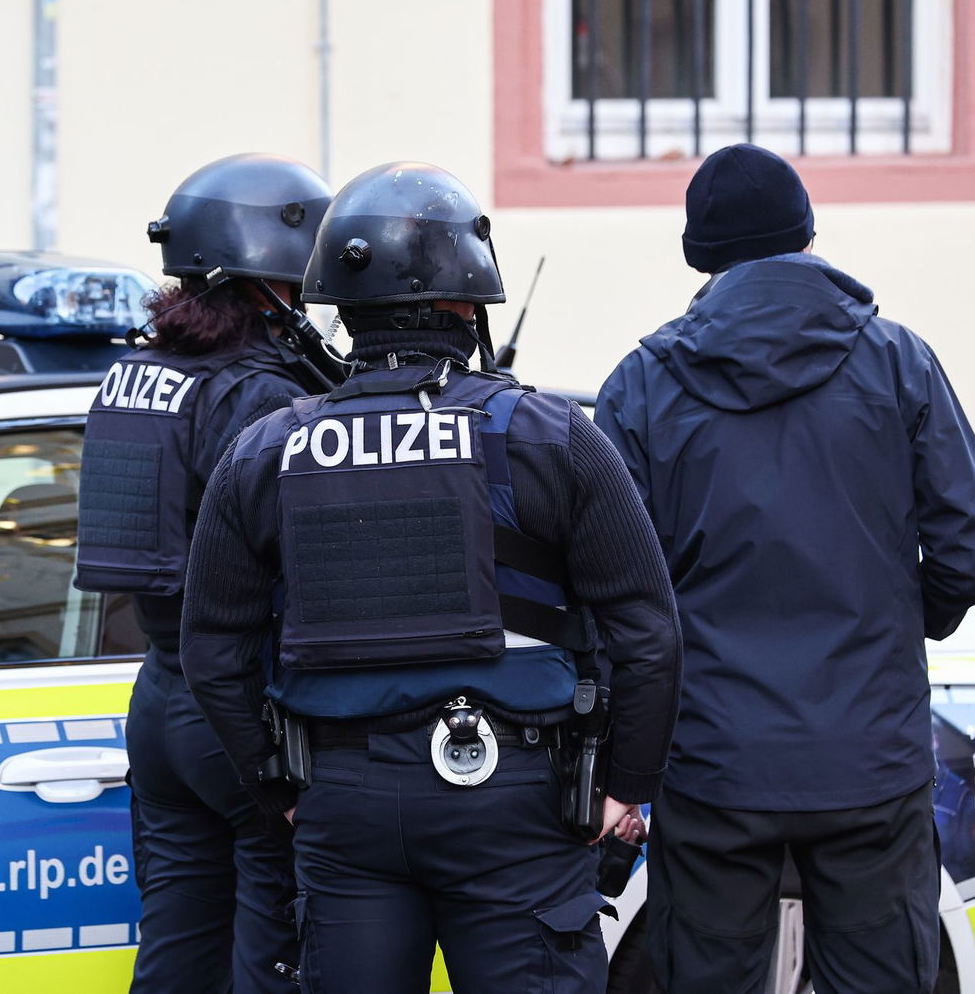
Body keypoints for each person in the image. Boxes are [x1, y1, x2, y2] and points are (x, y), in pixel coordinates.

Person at [180, 162, 682, 992]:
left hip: (344, 803)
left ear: (341, 308)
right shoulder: (551, 435)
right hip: (517, 798)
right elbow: (648, 629)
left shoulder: (268, 449)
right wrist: (625, 788)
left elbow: (211, 649)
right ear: (467, 302)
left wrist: (281, 788)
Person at [594, 143, 975, 994]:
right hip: (869, 758)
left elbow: (609, 590)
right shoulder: (898, 362)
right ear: (810, 236)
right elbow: (973, 538)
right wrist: (900, 621)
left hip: (712, 764)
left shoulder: (641, 385)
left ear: (700, 257)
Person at [73, 153, 333, 994]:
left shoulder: (139, 375)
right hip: (245, 707)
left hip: (162, 702)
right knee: (274, 958)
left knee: (177, 954)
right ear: (272, 278)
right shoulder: (261, 396)